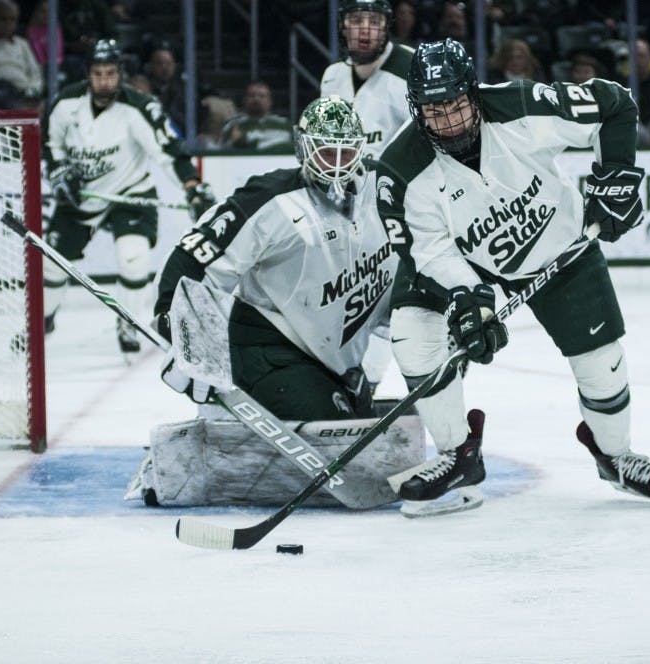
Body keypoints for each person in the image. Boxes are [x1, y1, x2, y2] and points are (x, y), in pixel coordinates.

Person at [375, 39, 650, 509]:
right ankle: (459, 454)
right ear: (416, 110)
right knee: (412, 332)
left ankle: (615, 455)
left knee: (602, 364)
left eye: (455, 105)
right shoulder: (400, 170)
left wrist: (616, 179)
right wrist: (468, 297)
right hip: (464, 259)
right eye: (434, 112)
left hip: (559, 245)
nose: (449, 122)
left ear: (472, 94)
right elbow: (427, 251)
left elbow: (614, 105)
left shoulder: (520, 105)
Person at [155, 95, 397, 423]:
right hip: (267, 350)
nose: (338, 164)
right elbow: (193, 257)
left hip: (336, 365)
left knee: (359, 435)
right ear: (303, 147)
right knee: (331, 429)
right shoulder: (270, 198)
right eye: (326, 151)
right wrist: (178, 331)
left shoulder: (382, 193)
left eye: (347, 151)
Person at [43, 39, 216, 357]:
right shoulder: (65, 104)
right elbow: (50, 144)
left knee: (133, 257)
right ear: (88, 74)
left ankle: (128, 324)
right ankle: (43, 319)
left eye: (111, 73)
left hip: (130, 193)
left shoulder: (140, 107)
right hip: (83, 195)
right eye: (98, 73)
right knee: (51, 266)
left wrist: (191, 186)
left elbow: (170, 151)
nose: (105, 81)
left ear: (120, 73)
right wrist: (59, 171)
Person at [320, 0, 414, 160]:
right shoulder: (332, 76)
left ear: (385, 29)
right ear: (343, 27)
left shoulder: (412, 67)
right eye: (356, 20)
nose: (365, 29)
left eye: (374, 21)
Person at [220, 80, 293, 151]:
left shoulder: (285, 125)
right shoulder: (233, 125)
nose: (256, 99)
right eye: (252, 95)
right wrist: (232, 142)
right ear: (244, 100)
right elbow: (221, 153)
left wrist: (246, 140)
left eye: (262, 96)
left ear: (270, 101)